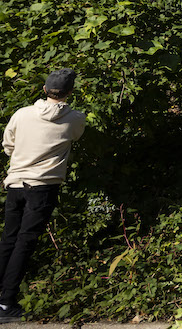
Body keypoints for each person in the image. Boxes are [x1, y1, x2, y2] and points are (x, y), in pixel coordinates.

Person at [0, 69, 86, 323]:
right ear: (70, 92)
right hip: (43, 186)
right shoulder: (75, 118)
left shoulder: (22, 114)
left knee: (8, 239)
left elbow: (8, 145)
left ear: (45, 89)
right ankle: (6, 303)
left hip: (15, 182)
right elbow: (76, 137)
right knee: (25, 243)